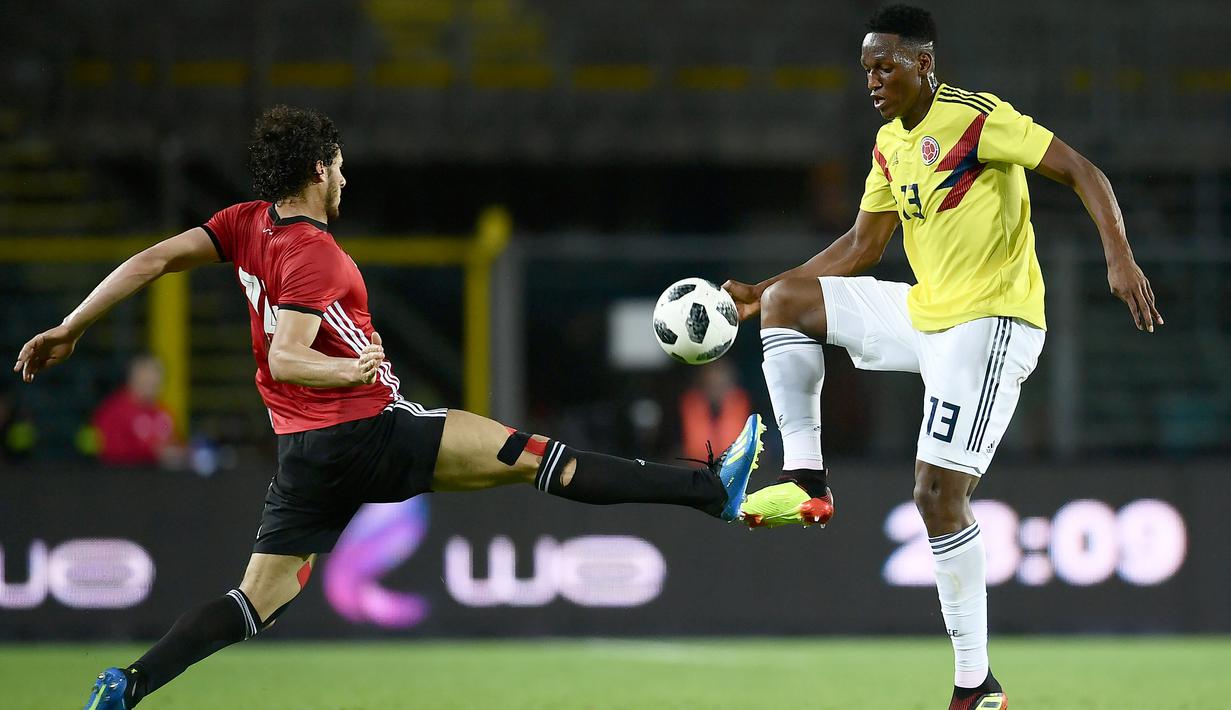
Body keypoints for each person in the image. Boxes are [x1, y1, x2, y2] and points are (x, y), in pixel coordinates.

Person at [12, 105, 766, 710]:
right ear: (317, 168)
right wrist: (352, 372)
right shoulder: (316, 253)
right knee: (534, 457)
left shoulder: (246, 224)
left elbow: (150, 260)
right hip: (369, 430)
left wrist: (71, 326)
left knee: (257, 599)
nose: (346, 177)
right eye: (339, 165)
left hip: (304, 459)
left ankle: (130, 684)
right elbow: (286, 355)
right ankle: (707, 490)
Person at [723, 6, 1161, 709]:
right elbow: (858, 250)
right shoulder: (888, 144)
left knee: (935, 495)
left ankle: (974, 685)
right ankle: (806, 480)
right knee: (788, 307)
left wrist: (1119, 258)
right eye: (866, 68)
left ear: (923, 63)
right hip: (927, 313)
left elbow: (1081, 169)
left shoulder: (976, 117)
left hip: (990, 323)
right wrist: (760, 292)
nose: (872, 80)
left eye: (885, 66)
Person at [91, 354, 181, 467]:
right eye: (146, 377)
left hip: (159, 480)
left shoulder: (164, 413)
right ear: (132, 378)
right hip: (122, 479)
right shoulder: (114, 411)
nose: (151, 382)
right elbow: (109, 450)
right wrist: (151, 452)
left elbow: (176, 444)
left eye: (155, 378)